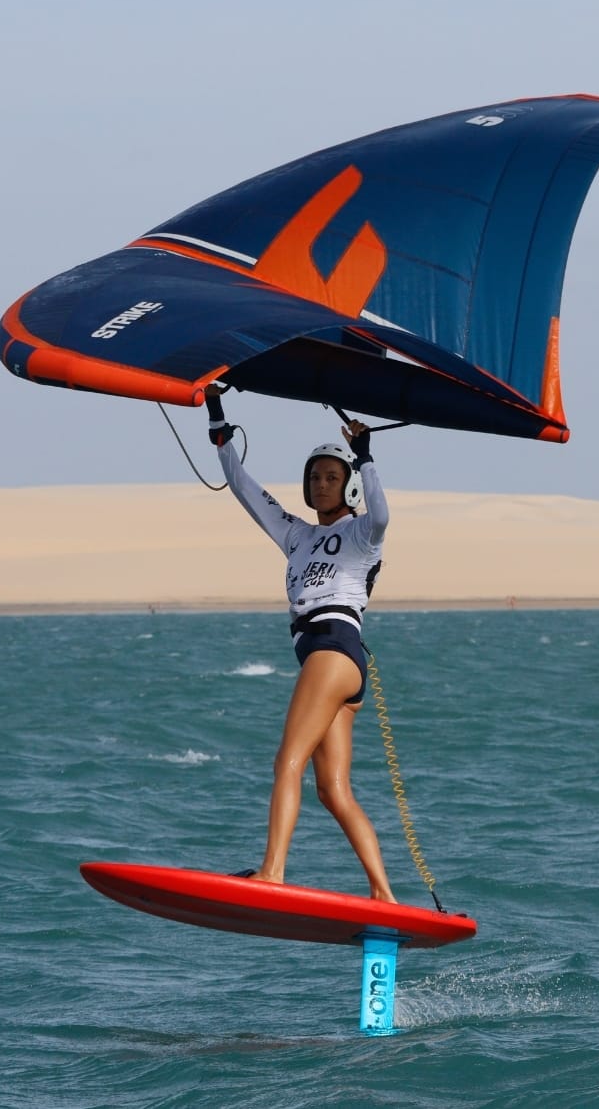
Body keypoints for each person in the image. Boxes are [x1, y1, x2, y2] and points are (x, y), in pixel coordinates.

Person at [205, 384, 397, 903]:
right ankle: (384, 894)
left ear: (349, 487)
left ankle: (272, 871)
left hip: (333, 651)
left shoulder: (362, 533)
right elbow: (246, 490)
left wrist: (365, 457)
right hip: (334, 664)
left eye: (332, 477)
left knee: (287, 761)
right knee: (332, 790)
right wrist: (218, 420)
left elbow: (383, 515)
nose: (321, 484)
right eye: (315, 477)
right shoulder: (297, 535)